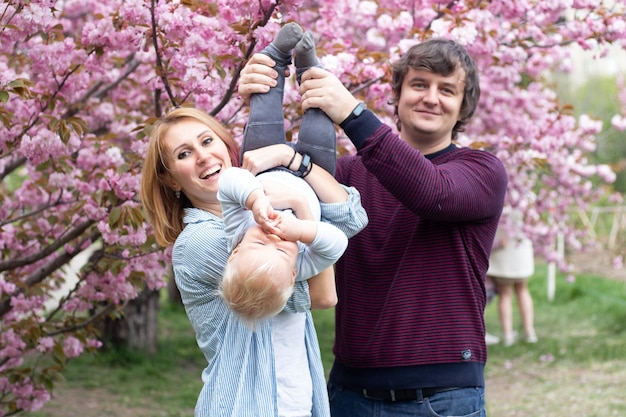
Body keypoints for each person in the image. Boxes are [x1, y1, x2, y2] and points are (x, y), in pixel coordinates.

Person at [239, 36, 508, 417]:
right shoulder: (346, 177)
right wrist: (256, 99)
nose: (431, 97)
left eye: (446, 89)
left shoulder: (482, 171)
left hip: (441, 396)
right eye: (419, 84)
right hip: (350, 392)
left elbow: (430, 192)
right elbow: (263, 196)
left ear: (463, 106)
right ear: (396, 94)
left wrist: (351, 113)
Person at [140, 24, 367, 417]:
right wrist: (301, 199)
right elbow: (320, 294)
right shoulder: (200, 243)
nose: (204, 157)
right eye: (183, 154)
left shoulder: (255, 210)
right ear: (168, 178)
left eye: (208, 141)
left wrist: (293, 159)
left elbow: (350, 216)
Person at [218, 27, 361, 325]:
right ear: (295, 273)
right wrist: (300, 229)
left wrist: (255, 200)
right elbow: (336, 243)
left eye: (259, 244)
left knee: (263, 114)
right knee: (319, 122)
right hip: (313, 176)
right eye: (282, 249)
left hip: (262, 161)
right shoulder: (303, 260)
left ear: (235, 253)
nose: (274, 237)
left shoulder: (238, 229)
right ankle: (310, 68)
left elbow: (229, 181)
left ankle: (275, 56)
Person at [487, 211, 537, 346]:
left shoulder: (498, 193)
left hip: (504, 247)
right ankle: (529, 332)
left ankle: (508, 335)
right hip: (519, 246)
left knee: (505, 293)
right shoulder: (526, 197)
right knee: (522, 289)